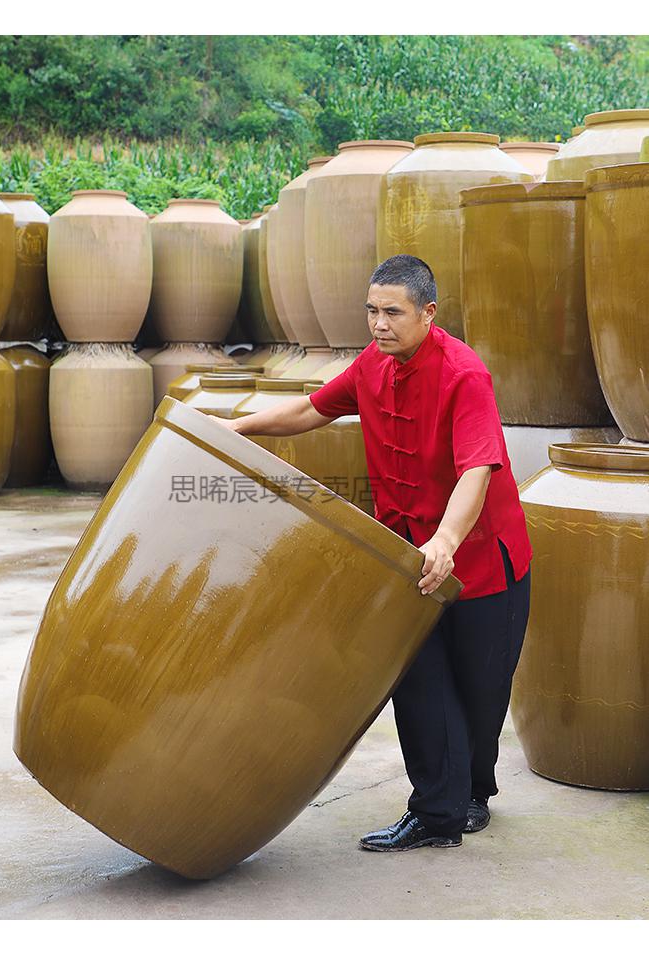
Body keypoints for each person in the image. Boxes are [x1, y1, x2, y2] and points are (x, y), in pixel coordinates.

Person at [210, 254, 532, 851]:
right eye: (371, 311)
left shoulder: (466, 376)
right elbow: (311, 408)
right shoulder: (371, 365)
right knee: (417, 682)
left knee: (480, 692)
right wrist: (236, 429)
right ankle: (437, 814)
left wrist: (446, 540)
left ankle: (473, 795)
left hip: (483, 563)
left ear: (428, 313)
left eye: (392, 313)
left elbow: (478, 468)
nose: (378, 324)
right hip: (407, 562)